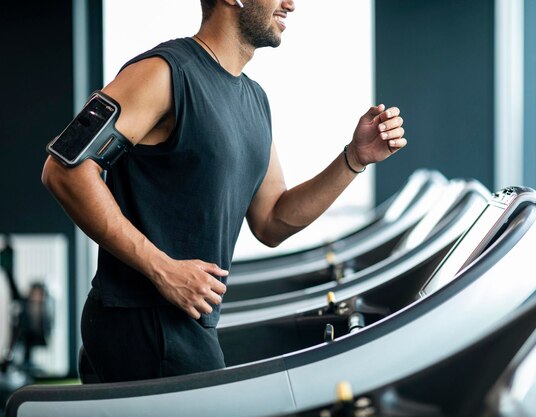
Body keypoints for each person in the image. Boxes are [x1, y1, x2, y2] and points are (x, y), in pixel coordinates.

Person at [41, 0, 407, 383]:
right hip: (141, 320)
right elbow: (65, 169)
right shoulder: (162, 73)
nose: (291, 4)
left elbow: (273, 220)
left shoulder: (254, 100)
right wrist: (162, 268)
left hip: (187, 322)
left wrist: (353, 159)